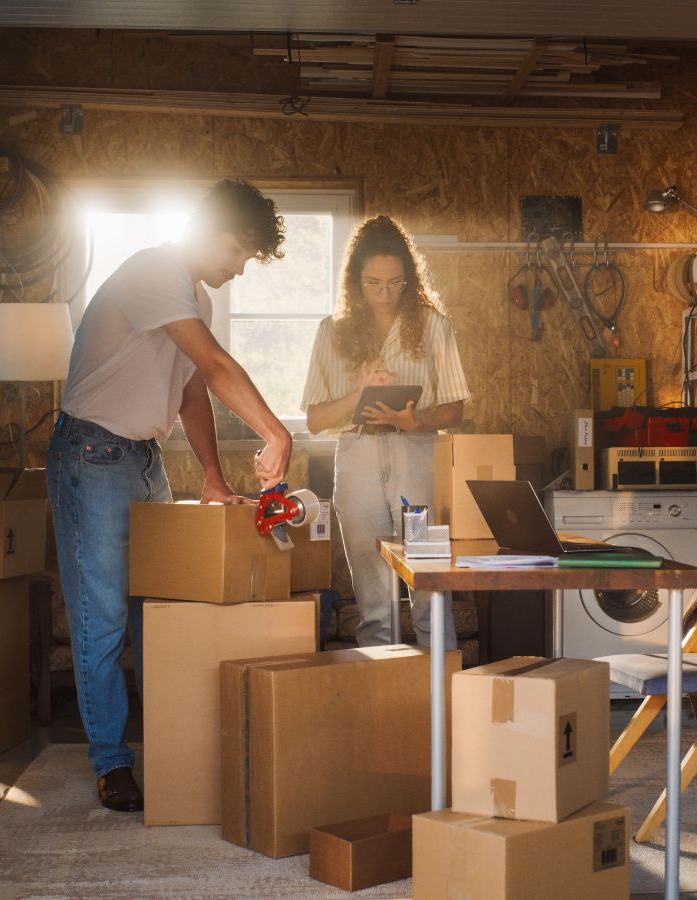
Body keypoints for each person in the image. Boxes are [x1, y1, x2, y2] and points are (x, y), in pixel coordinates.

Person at [47, 179, 293, 812]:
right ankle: (111, 762)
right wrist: (274, 431)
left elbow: (191, 392)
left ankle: (168, 746)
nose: (239, 268)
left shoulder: (194, 300)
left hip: (142, 459)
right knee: (102, 618)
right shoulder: (155, 270)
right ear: (207, 230)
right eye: (238, 251)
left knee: (155, 613)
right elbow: (212, 366)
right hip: (92, 455)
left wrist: (211, 475)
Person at [302, 215, 470, 650]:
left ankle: (444, 700)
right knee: (374, 598)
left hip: (416, 455)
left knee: (430, 584)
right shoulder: (331, 332)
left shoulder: (435, 326)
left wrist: (414, 422)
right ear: (355, 282)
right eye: (373, 283)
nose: (384, 294)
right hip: (356, 456)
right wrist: (359, 393)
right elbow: (316, 420)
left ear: (409, 280)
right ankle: (385, 702)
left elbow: (455, 408)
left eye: (395, 283)